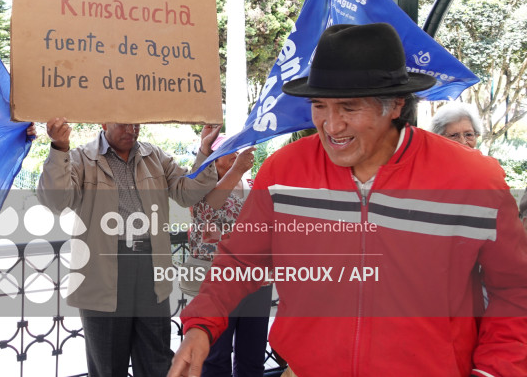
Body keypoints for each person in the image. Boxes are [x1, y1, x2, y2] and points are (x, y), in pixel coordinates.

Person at [169, 23, 527, 377]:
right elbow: (241, 259)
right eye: (319, 105)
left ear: (395, 105)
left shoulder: (474, 181)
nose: (331, 125)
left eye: (349, 108)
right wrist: (201, 324)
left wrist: (494, 371)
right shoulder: (283, 172)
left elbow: (515, 290)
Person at [37, 118, 220, 377]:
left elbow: (187, 192)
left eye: (136, 125)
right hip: (102, 271)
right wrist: (58, 148)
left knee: (156, 361)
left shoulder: (154, 156)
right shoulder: (81, 159)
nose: (131, 131)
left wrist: (204, 151)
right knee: (108, 366)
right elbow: (56, 201)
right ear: (103, 122)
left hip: (151, 268)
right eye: (123, 124)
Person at [186, 136, 272, 377]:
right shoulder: (200, 186)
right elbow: (203, 212)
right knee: (216, 357)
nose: (236, 153)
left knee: (253, 356)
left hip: (257, 281)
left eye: (237, 148)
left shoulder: (253, 183)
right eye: (228, 150)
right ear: (212, 159)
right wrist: (236, 170)